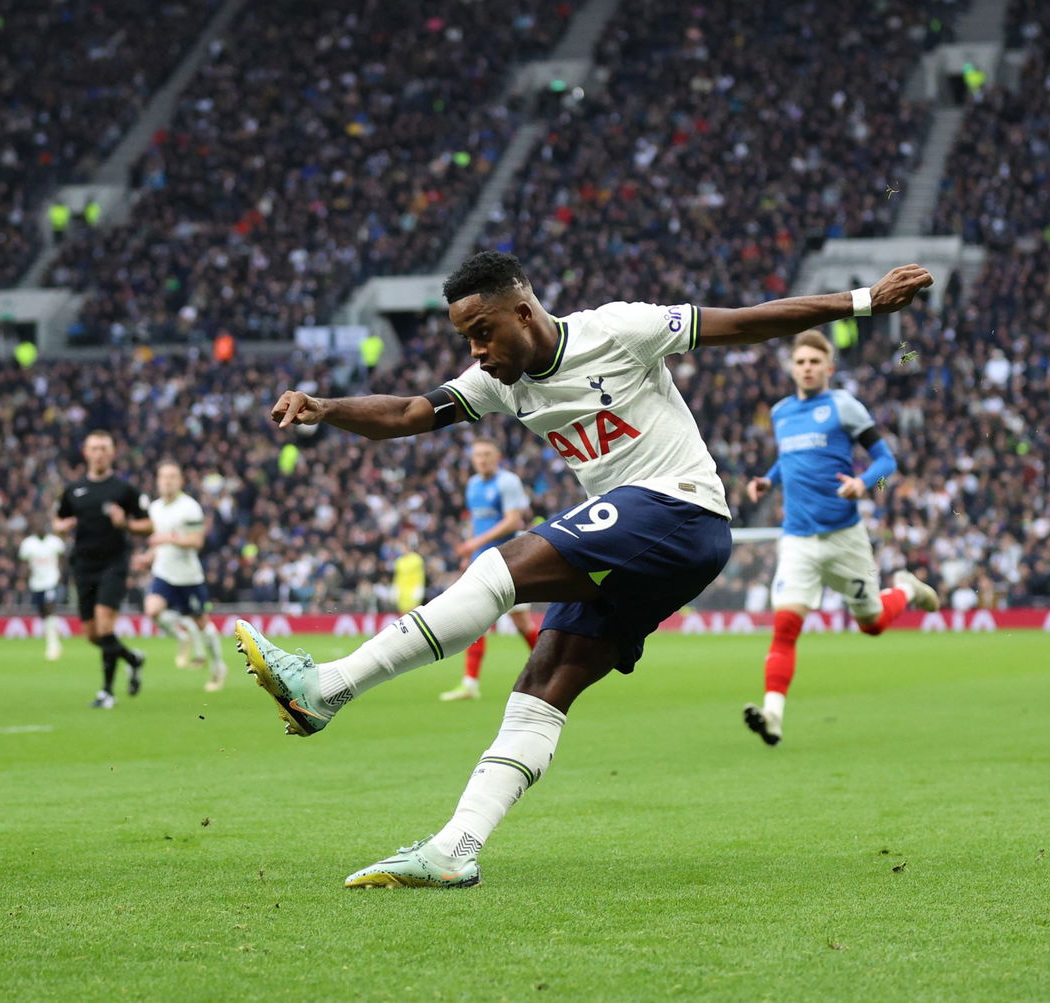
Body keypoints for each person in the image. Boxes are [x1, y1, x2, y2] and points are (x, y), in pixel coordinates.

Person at [234, 250, 933, 888]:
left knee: (501, 567)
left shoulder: (617, 329)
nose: (476, 350)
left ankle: (327, 685)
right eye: (465, 339)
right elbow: (414, 410)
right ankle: (455, 846)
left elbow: (746, 323)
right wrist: (325, 408)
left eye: (482, 331)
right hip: (647, 540)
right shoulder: (499, 382)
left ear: (523, 311)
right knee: (541, 686)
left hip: (680, 510)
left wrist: (864, 302)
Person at [741, 331, 939, 745]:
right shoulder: (780, 413)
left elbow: (887, 459)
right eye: (801, 362)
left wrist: (865, 483)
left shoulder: (844, 406)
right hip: (796, 539)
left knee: (871, 624)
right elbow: (789, 456)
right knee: (785, 628)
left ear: (829, 368)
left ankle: (904, 589)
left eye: (815, 362)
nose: (807, 368)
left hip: (844, 538)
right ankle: (773, 716)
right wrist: (768, 480)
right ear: (792, 368)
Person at [54, 430, 152, 708]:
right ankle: (133, 659)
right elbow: (58, 521)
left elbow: (148, 526)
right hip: (83, 566)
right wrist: (61, 527)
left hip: (114, 564)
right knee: (93, 634)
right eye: (94, 448)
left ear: (112, 453)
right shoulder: (73, 490)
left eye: (104, 448)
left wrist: (126, 524)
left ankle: (107, 692)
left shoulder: (123, 490)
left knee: (105, 624)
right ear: (86, 453)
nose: (99, 453)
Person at [441, 438, 541, 702]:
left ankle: (548, 668)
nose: (481, 459)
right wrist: (470, 555)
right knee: (475, 620)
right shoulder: (473, 485)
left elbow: (512, 521)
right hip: (482, 561)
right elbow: (476, 522)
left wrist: (475, 543)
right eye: (477, 455)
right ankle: (470, 683)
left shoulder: (508, 482)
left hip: (510, 560)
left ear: (497, 457)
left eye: (486, 454)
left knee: (521, 623)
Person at [137, 461, 228, 692]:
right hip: (164, 572)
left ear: (180, 481)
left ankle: (218, 667)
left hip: (188, 577)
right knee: (152, 610)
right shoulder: (155, 508)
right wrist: (148, 556)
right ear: (158, 481)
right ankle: (183, 637)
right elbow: (158, 542)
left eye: (172, 477)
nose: (167, 481)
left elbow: (196, 542)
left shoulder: (190, 507)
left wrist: (166, 539)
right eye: (163, 477)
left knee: (202, 623)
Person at [17, 516, 67, 661]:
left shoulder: (54, 542)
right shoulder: (28, 544)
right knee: (43, 612)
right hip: (36, 583)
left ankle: (53, 646)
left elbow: (62, 558)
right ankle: (53, 642)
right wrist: (21, 579)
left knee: (49, 607)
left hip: (51, 581)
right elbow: (24, 563)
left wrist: (60, 575)